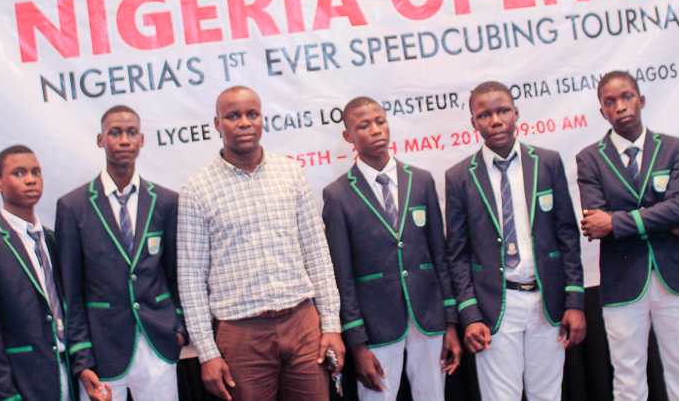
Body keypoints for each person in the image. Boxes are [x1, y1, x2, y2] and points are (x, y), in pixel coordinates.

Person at [178, 85, 346, 401]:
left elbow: (316, 252)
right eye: (233, 116)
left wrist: (331, 326)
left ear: (262, 119)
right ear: (217, 124)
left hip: (302, 324)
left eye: (252, 114)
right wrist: (207, 353)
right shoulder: (197, 190)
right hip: (241, 336)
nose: (244, 123)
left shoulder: (290, 173)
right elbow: (191, 280)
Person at [446, 82, 586, 401]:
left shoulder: (547, 163)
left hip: (546, 301)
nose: (495, 120)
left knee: (547, 395)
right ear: (473, 122)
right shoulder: (460, 176)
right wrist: (470, 314)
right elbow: (458, 255)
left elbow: (567, 236)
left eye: (503, 111)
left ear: (516, 113)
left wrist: (575, 301)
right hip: (495, 306)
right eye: (484, 115)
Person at [576, 70, 679, 401]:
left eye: (627, 97)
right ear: (602, 112)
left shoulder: (673, 148)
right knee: (628, 381)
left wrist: (618, 222)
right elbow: (596, 223)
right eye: (610, 102)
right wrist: (663, 221)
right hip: (622, 279)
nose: (620, 106)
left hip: (674, 275)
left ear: (642, 100)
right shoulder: (589, 159)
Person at [322, 96, 461, 401]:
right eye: (364, 126)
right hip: (377, 324)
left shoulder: (421, 181)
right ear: (348, 136)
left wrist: (451, 322)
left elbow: (440, 257)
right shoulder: (338, 195)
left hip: (428, 316)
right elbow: (342, 276)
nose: (375, 130)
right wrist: (357, 343)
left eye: (380, 121)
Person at [55, 105, 185, 401]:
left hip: (157, 344)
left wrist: (178, 327)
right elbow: (71, 291)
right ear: (101, 140)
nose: (124, 140)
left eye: (131, 133)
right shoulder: (74, 207)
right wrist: (82, 356)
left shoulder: (165, 201)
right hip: (102, 349)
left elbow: (176, 274)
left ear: (142, 140)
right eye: (115, 133)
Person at [0, 145, 73, 401]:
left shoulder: (53, 240)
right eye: (19, 173)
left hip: (67, 376)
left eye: (36, 172)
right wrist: (6, 395)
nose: (31, 179)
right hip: (22, 384)